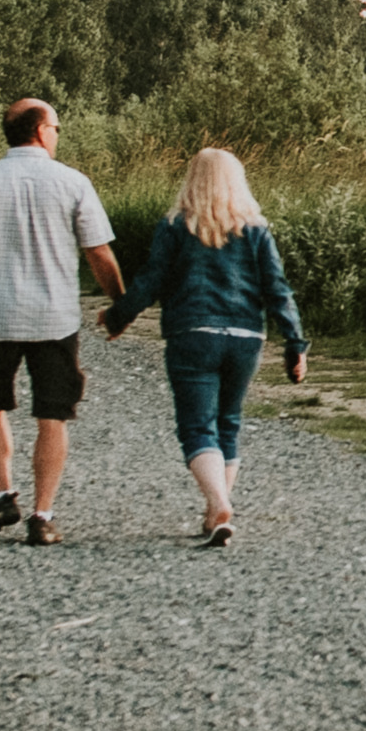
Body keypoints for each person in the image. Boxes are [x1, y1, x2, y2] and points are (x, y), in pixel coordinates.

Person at [103, 144, 306, 548]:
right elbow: (277, 289)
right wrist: (295, 343)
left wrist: (118, 316)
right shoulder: (256, 230)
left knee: (197, 426)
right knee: (227, 422)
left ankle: (219, 502)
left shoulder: (176, 226)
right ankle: (216, 514)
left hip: (192, 334)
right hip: (246, 337)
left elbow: (151, 280)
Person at [0, 97, 122, 543]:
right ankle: (43, 516)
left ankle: (3, 493)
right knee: (52, 415)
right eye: (57, 128)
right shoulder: (73, 183)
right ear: (41, 131)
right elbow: (98, 251)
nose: (58, 134)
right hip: (54, 317)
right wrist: (120, 303)